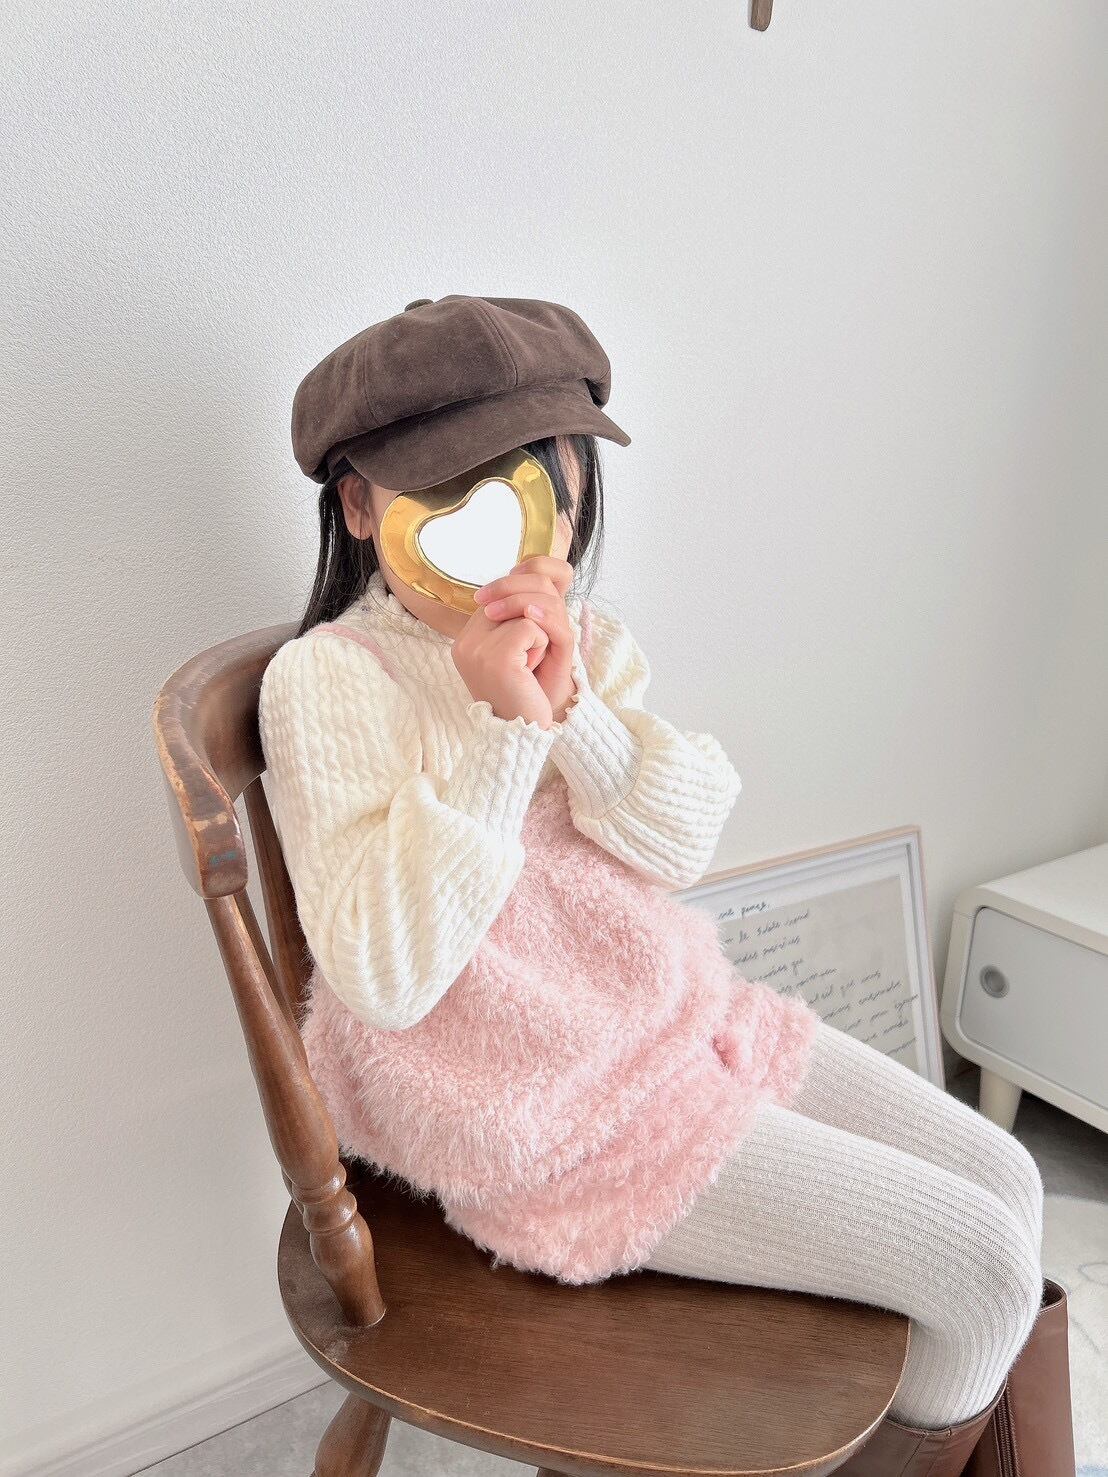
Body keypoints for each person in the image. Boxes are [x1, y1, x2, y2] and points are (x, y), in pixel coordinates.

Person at [258, 296, 1073, 1477]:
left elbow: (677, 842)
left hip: (671, 1026)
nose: (505, 528)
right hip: (539, 1109)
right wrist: (499, 733)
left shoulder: (590, 641)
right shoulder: (331, 681)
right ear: (357, 505)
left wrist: (572, 712)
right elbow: (384, 977)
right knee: (979, 1266)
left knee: (1008, 1176)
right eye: (452, 491)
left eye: (533, 481)